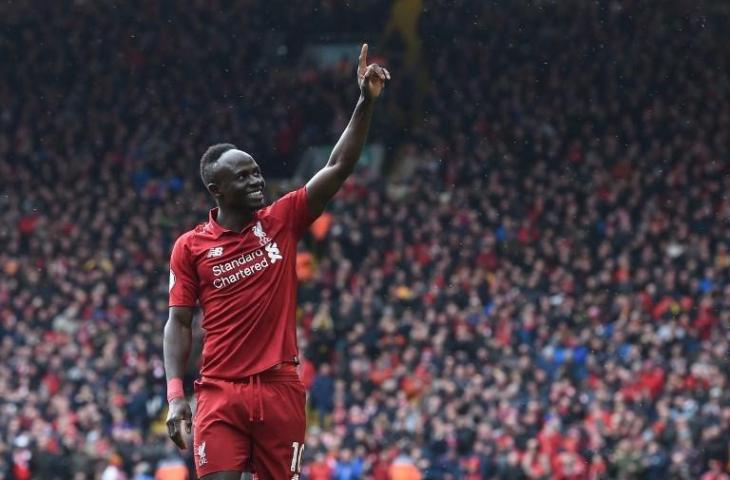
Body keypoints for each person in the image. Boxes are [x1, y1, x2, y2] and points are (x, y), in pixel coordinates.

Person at [163, 44, 390, 480]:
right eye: (243, 177)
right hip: (219, 393)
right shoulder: (190, 247)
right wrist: (176, 395)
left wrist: (364, 102)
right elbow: (178, 322)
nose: (257, 180)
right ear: (217, 190)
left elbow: (339, 165)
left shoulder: (282, 219)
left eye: (256, 172)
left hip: (279, 389)